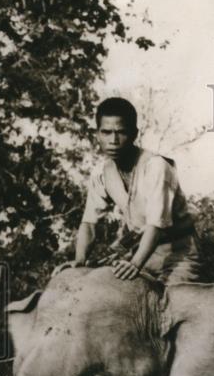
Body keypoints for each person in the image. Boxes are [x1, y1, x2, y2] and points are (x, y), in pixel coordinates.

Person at [73, 97, 201, 283]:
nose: (113, 140)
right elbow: (90, 223)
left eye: (121, 132)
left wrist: (134, 264)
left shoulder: (156, 166)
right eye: (106, 132)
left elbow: (156, 224)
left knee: (171, 305)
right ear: (97, 134)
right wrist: (79, 262)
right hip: (140, 251)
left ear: (134, 134)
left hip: (177, 253)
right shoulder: (101, 173)